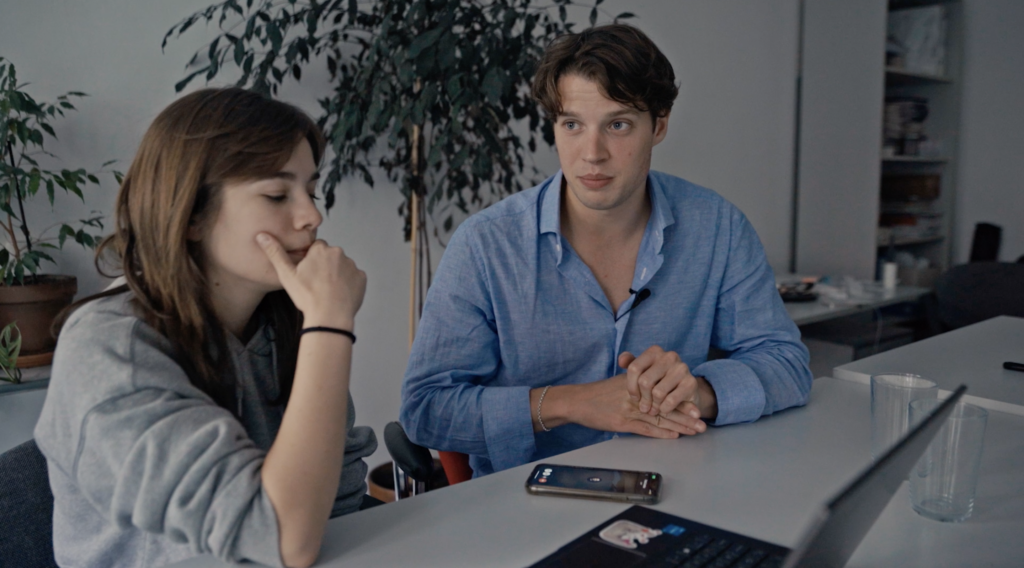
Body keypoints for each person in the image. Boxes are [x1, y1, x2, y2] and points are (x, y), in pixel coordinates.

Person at [400, 24, 812, 477]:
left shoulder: (718, 227)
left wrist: (700, 391)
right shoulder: (486, 245)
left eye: (618, 125)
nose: (592, 153)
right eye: (572, 125)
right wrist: (575, 403)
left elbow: (787, 363)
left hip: (677, 487)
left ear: (659, 125)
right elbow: (426, 410)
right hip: (526, 499)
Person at [34, 88, 376, 568]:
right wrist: (331, 326)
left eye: (312, 191)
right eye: (277, 195)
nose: (312, 216)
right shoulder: (108, 348)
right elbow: (283, 538)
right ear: (192, 214)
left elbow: (339, 503)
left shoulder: (287, 321)